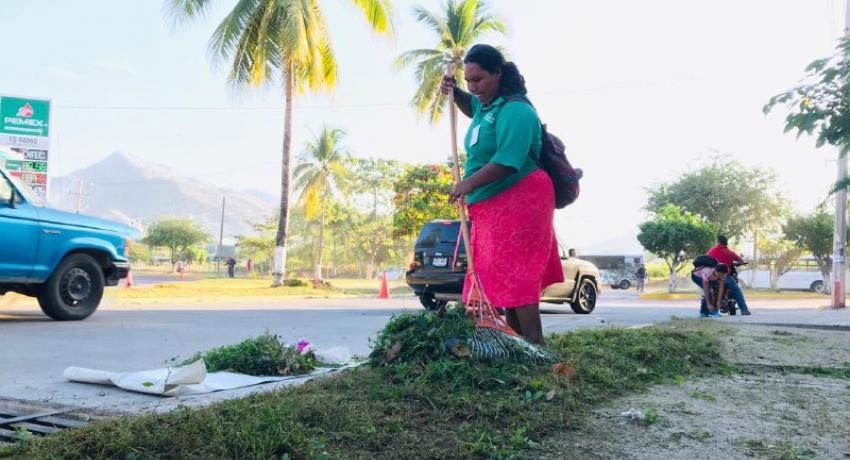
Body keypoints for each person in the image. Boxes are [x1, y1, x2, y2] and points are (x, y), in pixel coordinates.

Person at [441, 44, 564, 346]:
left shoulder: (517, 110)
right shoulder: (487, 105)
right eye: (468, 80)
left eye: (479, 79)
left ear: (498, 73)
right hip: (490, 204)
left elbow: (509, 160)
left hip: (521, 199)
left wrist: (468, 183)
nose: (474, 86)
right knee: (501, 275)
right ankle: (517, 345)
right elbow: (473, 108)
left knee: (517, 274)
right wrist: (455, 92)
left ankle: (536, 346)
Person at [707, 235, 751, 315]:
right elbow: (740, 260)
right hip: (725, 277)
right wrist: (742, 262)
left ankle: (710, 310)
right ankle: (744, 310)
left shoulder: (711, 251)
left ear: (718, 242)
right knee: (736, 290)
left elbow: (705, 260)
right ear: (726, 243)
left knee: (709, 291)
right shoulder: (728, 252)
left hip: (713, 277)